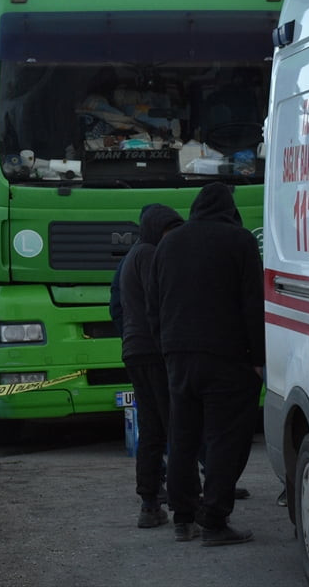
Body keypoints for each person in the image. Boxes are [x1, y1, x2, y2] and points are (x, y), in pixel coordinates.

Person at [149, 182, 264, 546]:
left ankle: (183, 518)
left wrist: (167, 348)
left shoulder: (168, 244)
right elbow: (252, 305)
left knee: (182, 438)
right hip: (227, 359)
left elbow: (155, 305)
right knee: (224, 439)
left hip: (178, 358)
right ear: (229, 209)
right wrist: (260, 359)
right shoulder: (240, 241)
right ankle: (214, 520)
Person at [117, 204, 185, 528]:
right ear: (157, 229)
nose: (173, 239)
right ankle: (183, 499)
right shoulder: (148, 255)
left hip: (134, 349)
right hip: (153, 350)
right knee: (175, 424)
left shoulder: (134, 254)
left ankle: (149, 502)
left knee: (152, 429)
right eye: (170, 232)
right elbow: (159, 302)